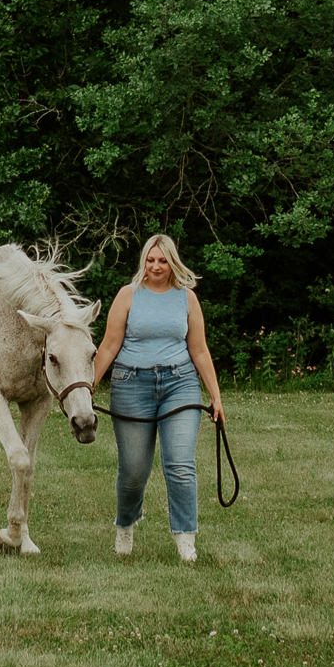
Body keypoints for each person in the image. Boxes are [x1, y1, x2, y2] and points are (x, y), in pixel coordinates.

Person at [91, 233, 226, 562]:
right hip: (131, 384)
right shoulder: (128, 295)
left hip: (179, 384)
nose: (156, 266)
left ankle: (185, 537)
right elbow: (109, 345)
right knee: (134, 470)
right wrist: (88, 386)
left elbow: (199, 349)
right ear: (143, 262)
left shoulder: (187, 299)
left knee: (180, 465)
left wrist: (216, 397)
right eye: (150, 260)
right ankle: (125, 525)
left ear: (172, 262)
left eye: (162, 260)